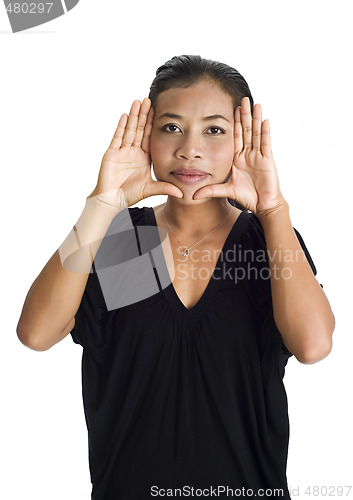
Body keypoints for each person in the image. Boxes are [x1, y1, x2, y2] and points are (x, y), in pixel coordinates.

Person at [16, 55, 335, 499]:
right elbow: (36, 334)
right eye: (171, 127)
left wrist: (272, 210)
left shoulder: (265, 241)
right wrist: (103, 205)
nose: (190, 148)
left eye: (214, 129)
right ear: (147, 136)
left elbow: (313, 346)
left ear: (242, 139)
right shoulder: (127, 242)